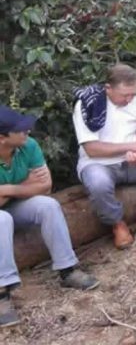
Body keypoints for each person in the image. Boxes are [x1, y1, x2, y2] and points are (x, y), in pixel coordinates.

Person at [0, 105, 99, 328]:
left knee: (48, 205)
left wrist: (9, 189)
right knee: (1, 220)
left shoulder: (29, 146)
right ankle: (2, 294)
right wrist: (25, 185)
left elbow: (45, 185)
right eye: (20, 129)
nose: (27, 131)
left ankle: (68, 270)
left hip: (17, 204)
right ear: (2, 138)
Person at [72, 64, 136, 249]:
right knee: (98, 183)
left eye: (133, 94)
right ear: (108, 88)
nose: (129, 99)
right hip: (98, 164)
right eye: (124, 95)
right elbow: (92, 149)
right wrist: (132, 145)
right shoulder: (88, 105)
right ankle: (117, 224)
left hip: (131, 163)